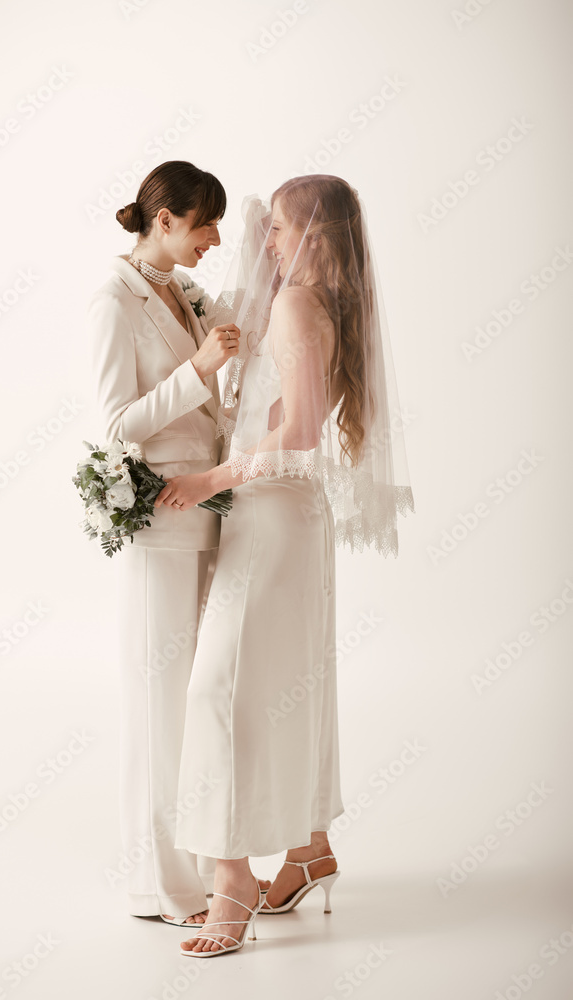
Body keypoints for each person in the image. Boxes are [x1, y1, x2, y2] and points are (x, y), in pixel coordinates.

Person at [154, 174, 415, 956]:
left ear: (312, 236)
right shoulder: (315, 302)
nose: (261, 239)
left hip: (272, 513)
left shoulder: (299, 305)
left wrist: (209, 478)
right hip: (284, 516)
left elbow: (299, 429)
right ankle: (309, 849)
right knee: (289, 681)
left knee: (218, 689)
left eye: (277, 229)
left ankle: (230, 876)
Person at [87, 159, 246, 926]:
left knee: (197, 702)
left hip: (208, 511)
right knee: (158, 707)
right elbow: (116, 425)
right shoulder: (111, 295)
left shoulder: (183, 289)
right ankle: (160, 887)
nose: (216, 238)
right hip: (158, 522)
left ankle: (201, 868)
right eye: (204, 223)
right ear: (164, 219)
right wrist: (199, 369)